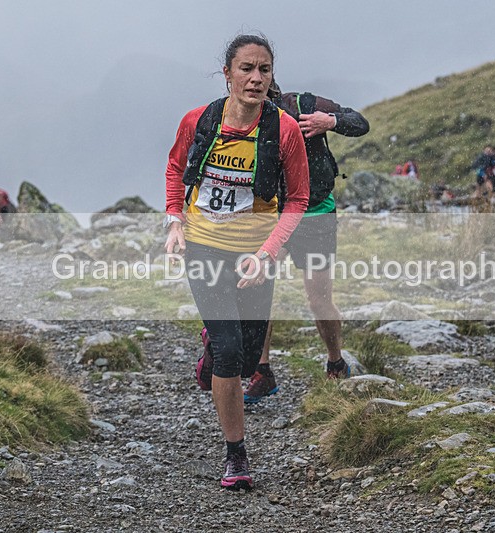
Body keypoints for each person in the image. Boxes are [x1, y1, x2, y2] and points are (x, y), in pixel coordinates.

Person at [164, 34, 309, 491]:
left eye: (263, 70)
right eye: (246, 68)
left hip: (255, 255)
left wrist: (268, 253)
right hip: (204, 247)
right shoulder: (199, 120)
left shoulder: (283, 130)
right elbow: (174, 168)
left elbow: (299, 198)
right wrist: (175, 222)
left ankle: (214, 347)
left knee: (246, 359)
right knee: (230, 352)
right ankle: (236, 454)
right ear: (226, 73)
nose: (255, 78)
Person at [242, 86, 370, 404]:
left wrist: (330, 121)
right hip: (272, 216)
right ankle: (262, 372)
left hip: (315, 214)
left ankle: (336, 362)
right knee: (257, 291)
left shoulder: (303, 105)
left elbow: (359, 122)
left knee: (318, 300)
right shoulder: (238, 120)